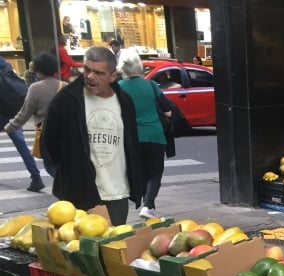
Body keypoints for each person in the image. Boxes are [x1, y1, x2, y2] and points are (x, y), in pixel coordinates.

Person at [43, 45, 141, 226]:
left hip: (117, 192)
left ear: (113, 76)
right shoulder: (67, 99)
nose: (90, 76)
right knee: (79, 250)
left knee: (113, 248)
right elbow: (49, 142)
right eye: (87, 70)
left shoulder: (124, 101)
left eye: (99, 73)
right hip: (79, 194)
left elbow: (131, 144)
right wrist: (69, 173)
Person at [117, 50, 168, 219]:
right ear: (140, 66)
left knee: (140, 171)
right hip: (154, 135)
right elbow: (167, 110)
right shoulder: (151, 85)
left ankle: (146, 205)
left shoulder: (118, 88)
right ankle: (148, 205)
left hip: (132, 138)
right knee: (155, 173)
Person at [4, 53, 63, 179]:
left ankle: (65, 189)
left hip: (46, 134)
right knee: (63, 164)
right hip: (65, 133)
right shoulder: (64, 86)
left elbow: (24, 113)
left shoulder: (35, 88)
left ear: (38, 69)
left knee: (51, 166)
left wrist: (9, 127)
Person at [0, 56, 45, 192]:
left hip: (3, 111)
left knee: (21, 145)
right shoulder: (4, 64)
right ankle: (36, 177)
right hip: (12, 111)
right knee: (22, 146)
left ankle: (36, 178)